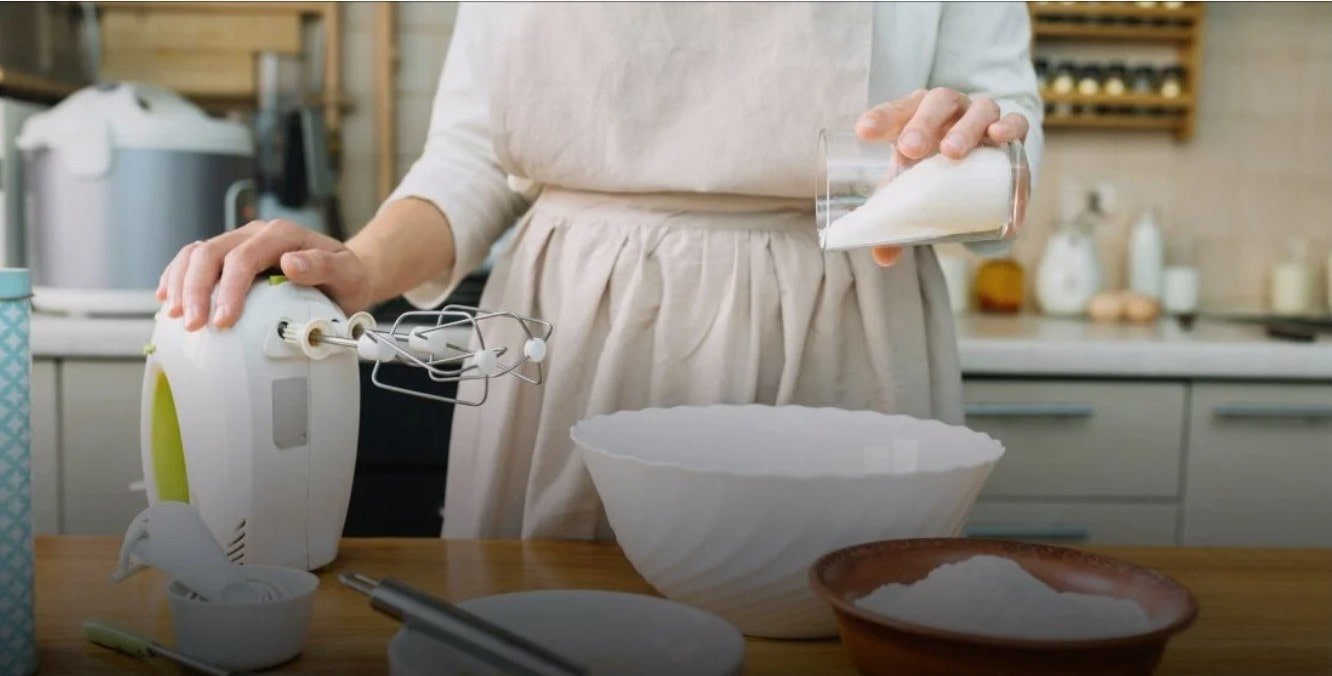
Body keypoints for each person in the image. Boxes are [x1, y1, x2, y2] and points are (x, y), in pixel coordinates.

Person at [158, 3, 1043, 540]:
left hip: (840, 337)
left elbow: (1008, 141)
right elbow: (476, 155)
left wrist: (971, 147)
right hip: (572, 347)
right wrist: (358, 264)